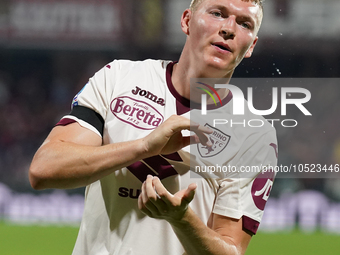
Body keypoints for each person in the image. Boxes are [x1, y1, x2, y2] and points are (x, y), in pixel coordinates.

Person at [29, 0, 278, 254]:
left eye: (244, 23)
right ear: (186, 21)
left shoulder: (255, 135)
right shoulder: (118, 78)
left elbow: (231, 248)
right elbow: (43, 169)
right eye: (217, 13)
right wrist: (144, 146)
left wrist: (181, 219)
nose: (229, 28)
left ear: (251, 46)